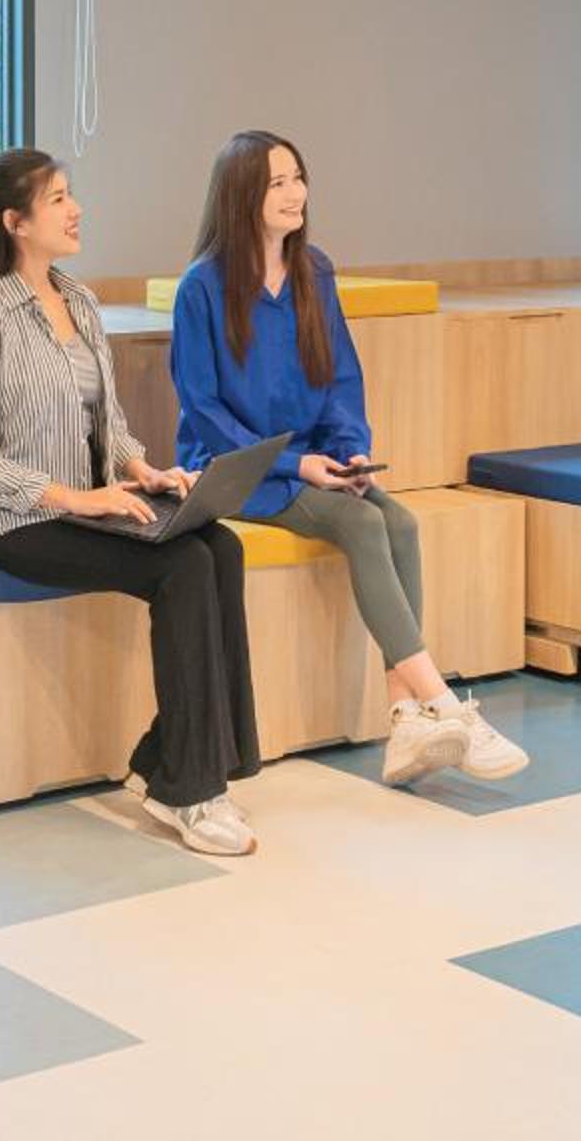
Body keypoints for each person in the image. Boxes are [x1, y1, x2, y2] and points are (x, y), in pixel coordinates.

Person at [0, 149, 264, 856]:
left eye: (70, 194)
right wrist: (75, 499)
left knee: (221, 546)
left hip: (93, 504)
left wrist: (144, 469)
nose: (75, 209)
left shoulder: (78, 301)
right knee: (182, 568)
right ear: (15, 223)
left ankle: (173, 760)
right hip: (13, 521)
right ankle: (186, 789)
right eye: (57, 199)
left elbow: (106, 419)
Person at [171, 131, 527, 785]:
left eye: (298, 177)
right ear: (240, 194)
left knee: (401, 522)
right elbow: (204, 411)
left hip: (312, 460)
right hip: (237, 470)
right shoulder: (201, 287)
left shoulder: (315, 270)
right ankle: (443, 706)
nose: (296, 193)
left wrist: (350, 451)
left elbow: (340, 378)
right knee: (362, 523)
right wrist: (295, 466)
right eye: (277, 183)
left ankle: (405, 721)